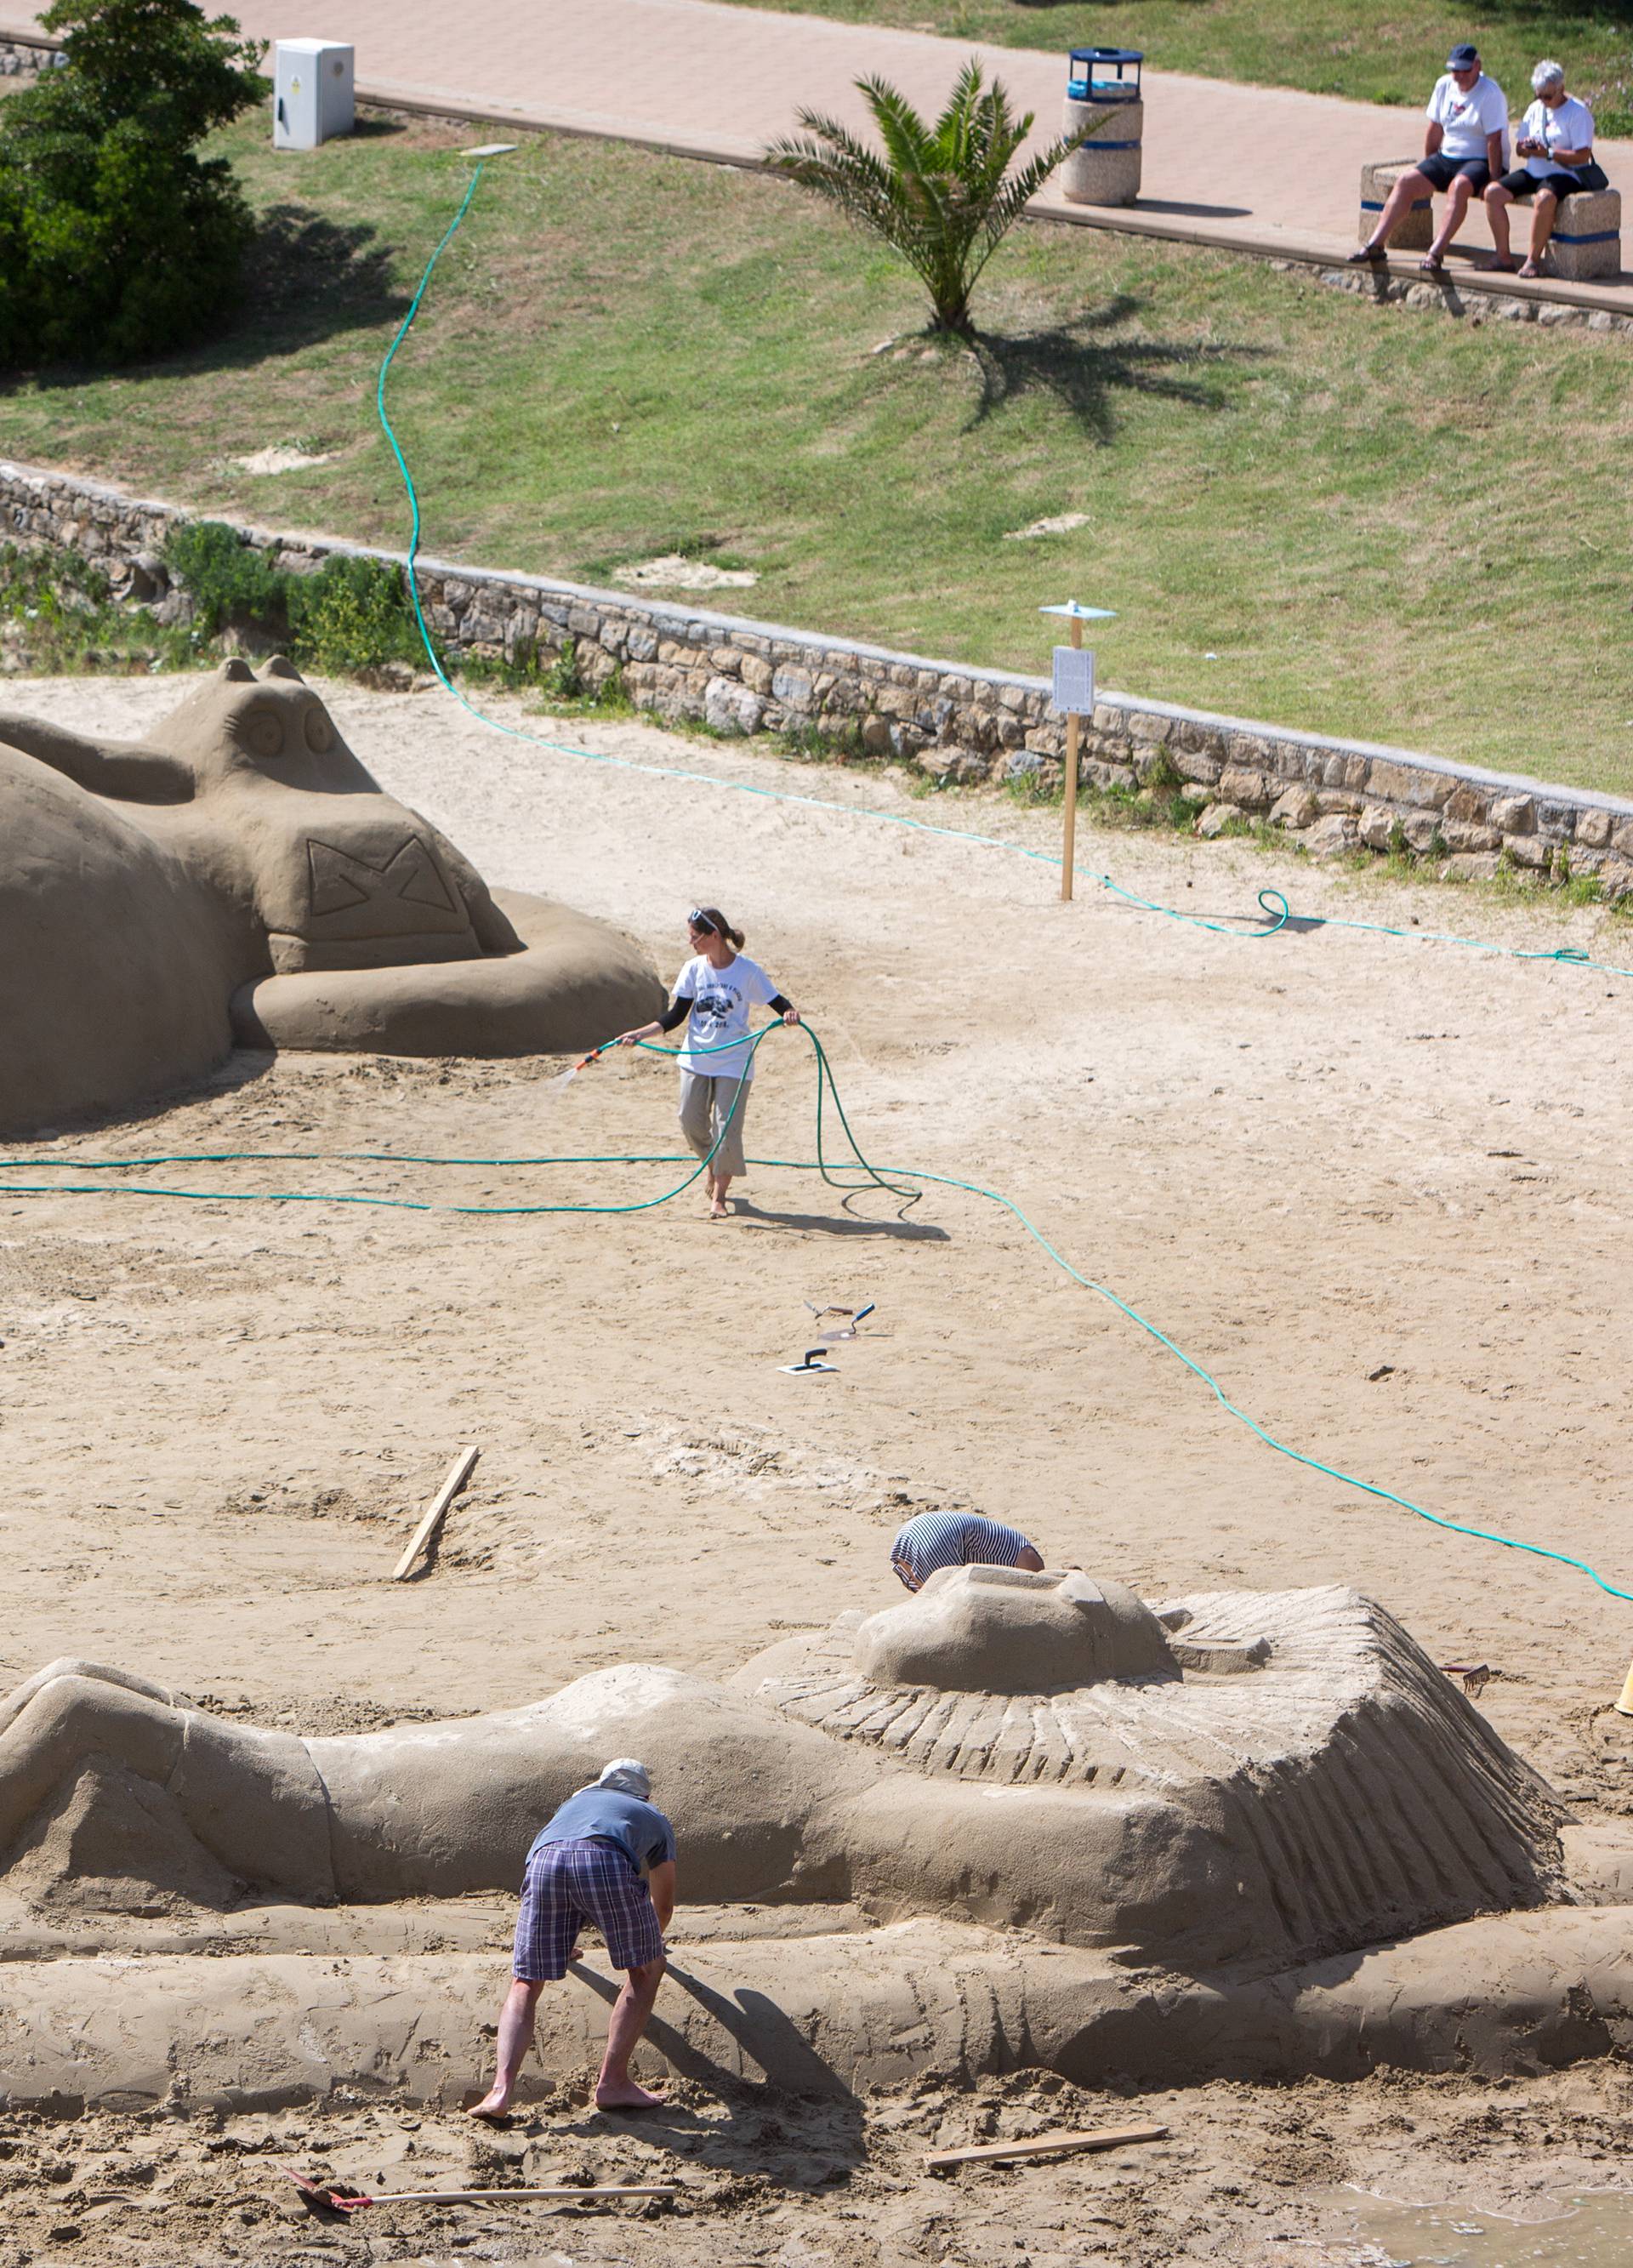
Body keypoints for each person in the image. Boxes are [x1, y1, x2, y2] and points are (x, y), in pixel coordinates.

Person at [469, 1758, 677, 2120]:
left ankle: (499, 2092)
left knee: (525, 1982)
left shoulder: (573, 1804)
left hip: (544, 1863)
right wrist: (646, 1947)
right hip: (604, 1859)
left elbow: (569, 1867)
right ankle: (612, 2083)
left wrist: (558, 1944)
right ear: (644, 1793)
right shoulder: (652, 1816)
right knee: (647, 1970)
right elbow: (664, 1903)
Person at [616, 907, 799, 1219]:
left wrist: (789, 1015)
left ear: (715, 935)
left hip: (734, 1062)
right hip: (695, 1058)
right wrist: (640, 1033)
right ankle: (714, 1166)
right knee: (690, 1121)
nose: (691, 942)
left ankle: (719, 1196)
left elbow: (779, 1003)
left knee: (726, 1131)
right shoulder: (693, 969)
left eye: (695, 936)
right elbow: (675, 1016)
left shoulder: (748, 972)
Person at [1351, 43, 1507, 274]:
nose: (1460, 76)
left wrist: (1495, 179)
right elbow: (1434, 129)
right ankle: (1375, 244)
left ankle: (1436, 252)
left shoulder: (1490, 93)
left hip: (1480, 159)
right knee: (1406, 181)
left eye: (1465, 71)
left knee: (1459, 186)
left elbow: (1494, 141)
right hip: (1446, 156)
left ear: (1477, 66)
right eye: (1456, 71)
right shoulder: (1444, 85)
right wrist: (1429, 169)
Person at [1484, 62, 1608, 275]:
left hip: (1566, 174)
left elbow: (1582, 155)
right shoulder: (1535, 109)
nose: (1543, 101)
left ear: (1561, 88)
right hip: (1534, 171)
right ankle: (1503, 256)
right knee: (1492, 193)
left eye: (1548, 97)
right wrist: (1526, 148)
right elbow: (1519, 148)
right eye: (1539, 95)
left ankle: (1533, 261)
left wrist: (1548, 153)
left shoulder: (1577, 113)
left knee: (1544, 198)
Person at [890, 1508, 1044, 1593]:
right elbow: (1032, 1588)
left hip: (913, 1529)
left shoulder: (1017, 1543)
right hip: (940, 1537)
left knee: (929, 1600)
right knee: (946, 1603)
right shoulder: (1030, 1560)